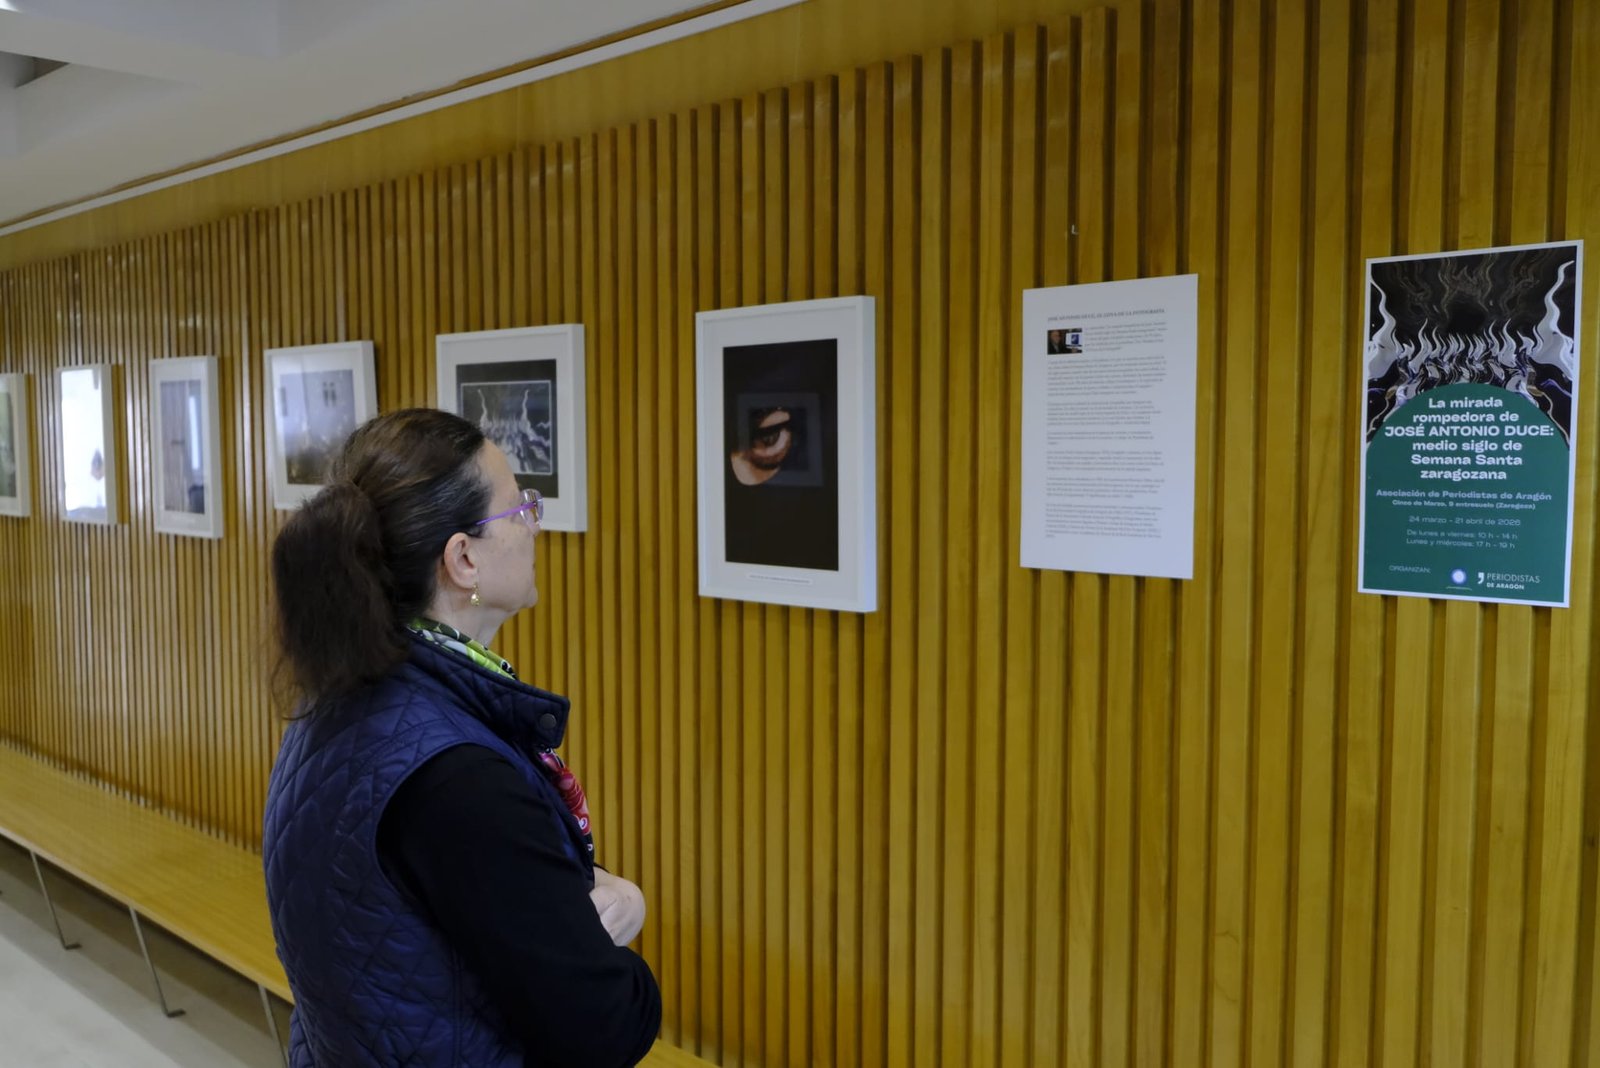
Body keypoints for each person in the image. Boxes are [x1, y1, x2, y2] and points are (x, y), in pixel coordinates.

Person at [263, 408, 660, 1067]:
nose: (535, 524)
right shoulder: (456, 777)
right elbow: (607, 1024)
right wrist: (629, 908)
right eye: (519, 508)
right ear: (463, 559)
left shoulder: (338, 699)